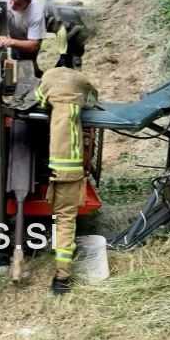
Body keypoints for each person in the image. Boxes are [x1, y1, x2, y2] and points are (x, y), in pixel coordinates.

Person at [35, 66, 99, 295]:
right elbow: (94, 100)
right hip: (70, 171)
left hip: (52, 168)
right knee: (65, 220)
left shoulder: (49, 82)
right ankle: (62, 278)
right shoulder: (81, 89)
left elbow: (38, 98)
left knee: (61, 218)